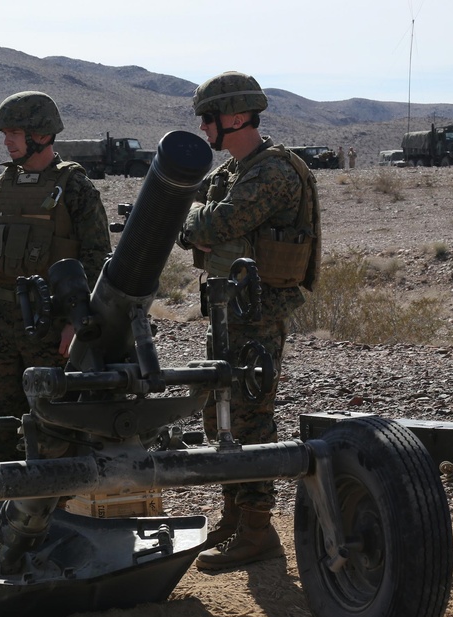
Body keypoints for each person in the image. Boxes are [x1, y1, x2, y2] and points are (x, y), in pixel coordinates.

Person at [178, 71, 322, 571]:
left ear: (236, 117)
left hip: (257, 312)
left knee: (250, 415)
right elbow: (191, 220)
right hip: (229, 307)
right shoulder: (234, 173)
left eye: (208, 118)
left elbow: (213, 224)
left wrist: (199, 223)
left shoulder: (273, 172)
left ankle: (258, 529)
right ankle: (233, 516)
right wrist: (196, 223)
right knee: (219, 411)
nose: (203, 128)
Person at [0, 91, 112, 462]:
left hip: (51, 322)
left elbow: (96, 260)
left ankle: (50, 509)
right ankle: (5, 497)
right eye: (5, 133)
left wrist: (76, 323)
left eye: (14, 132)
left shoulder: (75, 188)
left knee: (54, 423)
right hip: (0, 324)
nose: (7, 141)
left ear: (41, 135)